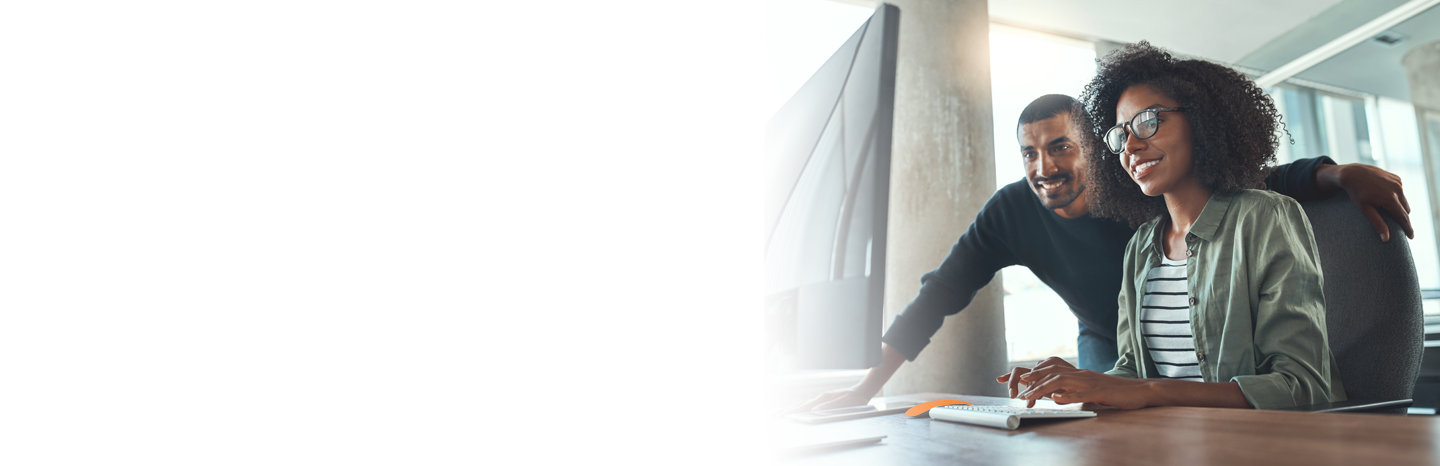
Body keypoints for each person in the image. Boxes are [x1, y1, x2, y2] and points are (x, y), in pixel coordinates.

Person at [770, 95, 1408, 417]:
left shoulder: (1134, 184)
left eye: (1061, 147)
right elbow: (938, 294)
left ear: (1092, 151)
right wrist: (865, 389)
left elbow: (1250, 182)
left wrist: (1338, 173)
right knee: (1097, 428)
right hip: (1116, 343)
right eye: (1030, 153)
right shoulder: (1012, 211)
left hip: (1207, 335)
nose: (1045, 168)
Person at [999, 41, 1342, 410]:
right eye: (1121, 134)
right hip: (1169, 445)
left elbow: (1303, 388)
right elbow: (1132, 373)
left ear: (1199, 119)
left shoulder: (1265, 218)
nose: (1130, 145)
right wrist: (1078, 384)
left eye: (1148, 121)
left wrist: (1152, 391)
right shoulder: (1142, 247)